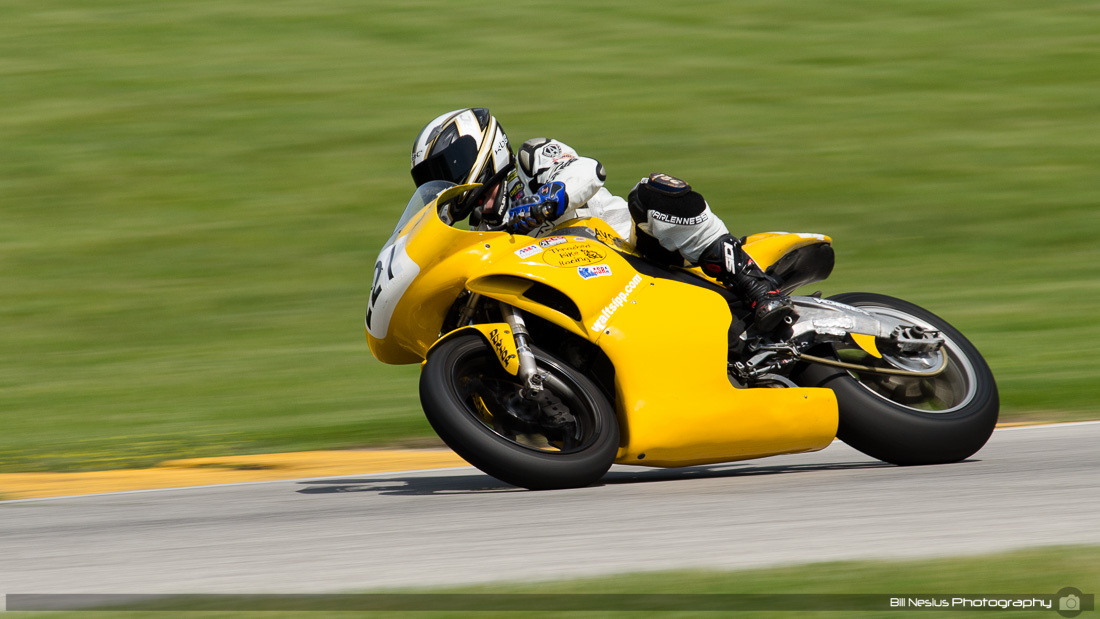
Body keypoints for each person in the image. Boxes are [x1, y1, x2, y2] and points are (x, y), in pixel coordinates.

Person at [409, 108, 795, 332]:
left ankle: (757, 286)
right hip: (595, 300)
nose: (445, 181)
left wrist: (546, 201)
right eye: (433, 178)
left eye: (447, 166)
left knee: (652, 192)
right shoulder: (482, 238)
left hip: (638, 252)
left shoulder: (532, 160)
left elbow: (588, 171)